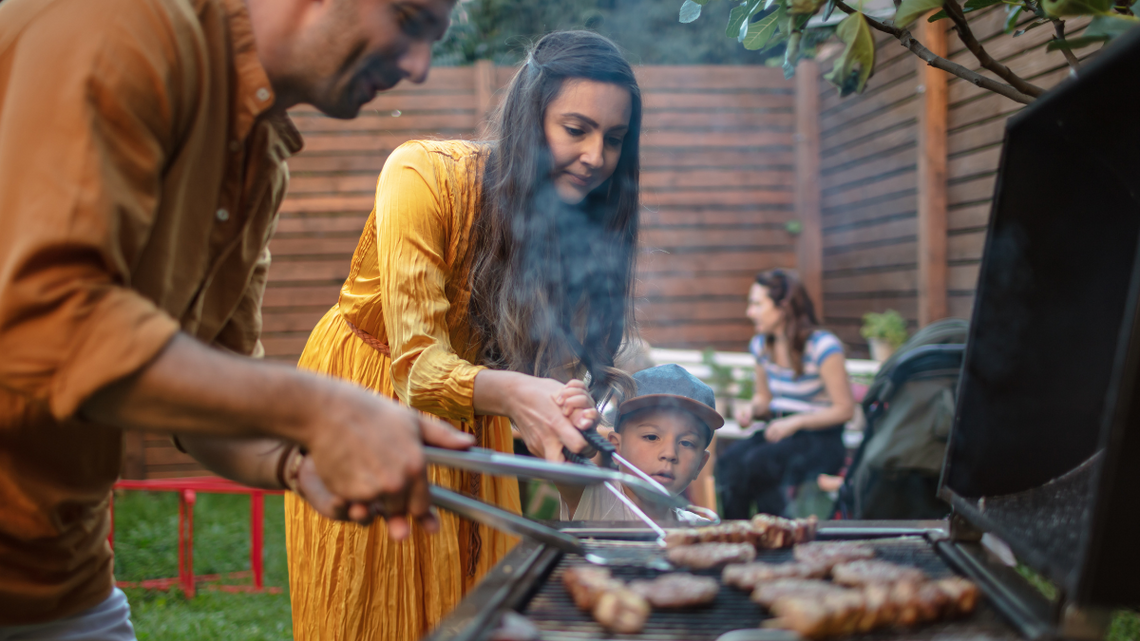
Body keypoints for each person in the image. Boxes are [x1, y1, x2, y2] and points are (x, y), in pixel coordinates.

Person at [0, 0, 467, 636]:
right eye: (410, 19)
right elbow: (44, 325)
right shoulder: (123, 23)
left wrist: (301, 461)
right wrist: (322, 407)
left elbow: (209, 391)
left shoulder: (259, 150)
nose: (419, 67)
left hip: (57, 575)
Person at [283, 31, 643, 640]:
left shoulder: (572, 219)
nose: (595, 157)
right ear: (531, 120)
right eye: (575, 129)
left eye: (613, 139)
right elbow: (418, 367)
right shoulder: (421, 173)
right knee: (379, 605)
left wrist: (564, 403)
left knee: (481, 595)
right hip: (369, 394)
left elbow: (542, 361)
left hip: (483, 404)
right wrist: (518, 394)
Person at [718, 269, 855, 519]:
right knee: (729, 462)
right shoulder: (761, 345)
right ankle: (736, 532)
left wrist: (796, 421)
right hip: (781, 433)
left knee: (760, 464)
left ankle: (777, 535)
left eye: (757, 304)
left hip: (821, 440)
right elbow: (764, 398)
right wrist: (752, 409)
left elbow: (845, 409)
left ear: (783, 307)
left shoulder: (822, 346)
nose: (750, 312)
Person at [557, 365, 723, 523]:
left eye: (686, 443)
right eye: (651, 437)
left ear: (700, 464)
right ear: (617, 447)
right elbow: (560, 446)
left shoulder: (696, 530)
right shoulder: (590, 497)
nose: (670, 453)